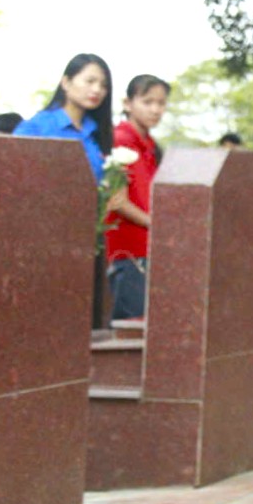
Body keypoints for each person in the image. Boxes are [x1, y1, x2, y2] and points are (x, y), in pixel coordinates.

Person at [104, 75, 169, 321]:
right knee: (130, 329)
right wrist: (159, 225)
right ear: (128, 103)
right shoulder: (119, 140)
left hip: (150, 247)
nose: (155, 109)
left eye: (161, 103)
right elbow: (117, 202)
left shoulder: (151, 145)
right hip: (129, 250)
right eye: (147, 101)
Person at [13, 53, 114, 180]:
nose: (97, 89)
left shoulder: (97, 131)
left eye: (104, 85)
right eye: (90, 81)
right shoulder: (36, 127)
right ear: (66, 82)